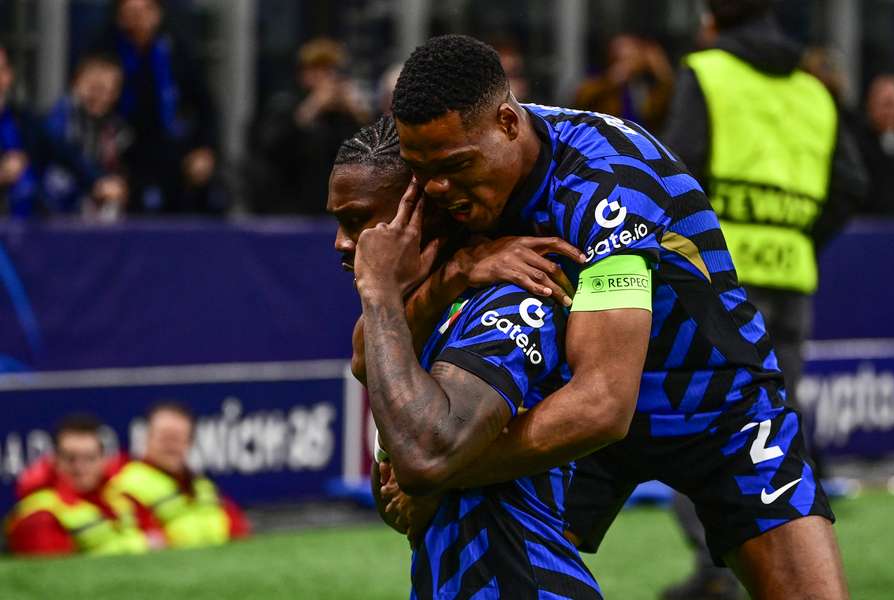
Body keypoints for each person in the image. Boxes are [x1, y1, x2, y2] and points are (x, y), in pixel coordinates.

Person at [375, 34, 849, 600]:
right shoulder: (444, 176)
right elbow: (371, 350)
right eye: (421, 169)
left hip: (715, 408)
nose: (437, 188)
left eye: (455, 166)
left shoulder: (609, 180)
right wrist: (452, 275)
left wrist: (444, 471)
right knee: (462, 525)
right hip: (572, 409)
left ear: (508, 122)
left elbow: (602, 407)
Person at [330, 116, 602, 599]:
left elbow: (424, 459)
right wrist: (447, 274)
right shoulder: (425, 310)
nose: (343, 242)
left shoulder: (514, 294)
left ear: (423, 211)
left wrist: (380, 291)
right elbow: (393, 497)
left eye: (357, 220)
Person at [661, 2, 868, 595]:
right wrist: (797, 236)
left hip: (715, 282)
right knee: (775, 434)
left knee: (694, 423)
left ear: (713, 16)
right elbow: (851, 183)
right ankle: (796, 575)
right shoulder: (814, 89)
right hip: (791, 279)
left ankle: (717, 571)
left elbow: (671, 175)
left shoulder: (707, 72)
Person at [95, 0, 221, 214]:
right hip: (122, 155)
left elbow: (205, 105)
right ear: (120, 16)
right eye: (132, 11)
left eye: (146, 10)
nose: (139, 18)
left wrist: (205, 150)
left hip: (173, 153)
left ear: (158, 14)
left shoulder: (174, 50)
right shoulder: (106, 51)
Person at [249, 37, 371, 214]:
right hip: (289, 204)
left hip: (336, 205)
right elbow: (270, 149)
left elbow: (366, 157)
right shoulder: (284, 105)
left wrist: (357, 113)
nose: (327, 78)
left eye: (331, 71)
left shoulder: (342, 114)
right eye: (319, 70)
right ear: (304, 73)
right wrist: (311, 108)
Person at [106, 401, 249, 549]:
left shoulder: (202, 485)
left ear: (189, 443)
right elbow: (144, 542)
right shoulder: (128, 484)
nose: (171, 446)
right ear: (148, 437)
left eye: (178, 438)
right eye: (165, 437)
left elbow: (238, 529)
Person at [5, 414, 148, 556]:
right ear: (55, 461)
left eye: (89, 458)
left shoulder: (120, 497)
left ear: (103, 460)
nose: (80, 467)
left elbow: (154, 537)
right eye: (70, 458)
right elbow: (52, 568)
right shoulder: (40, 515)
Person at [41, 53, 132, 220]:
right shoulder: (60, 118)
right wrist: (95, 182)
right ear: (76, 84)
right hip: (56, 214)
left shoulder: (117, 128)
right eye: (94, 87)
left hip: (98, 214)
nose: (101, 96)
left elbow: (121, 171)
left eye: (109, 90)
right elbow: (65, 156)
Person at [573, 34, 673, 132]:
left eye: (633, 54)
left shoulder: (644, 85)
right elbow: (580, 102)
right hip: (607, 135)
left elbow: (658, 115)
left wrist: (660, 69)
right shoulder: (598, 78)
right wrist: (612, 79)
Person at [0, 43, 39, 218]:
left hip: (28, 223)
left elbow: (62, 151)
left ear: (9, 76)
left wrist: (97, 181)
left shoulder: (24, 118)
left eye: (1, 70)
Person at [856, 75, 894, 215]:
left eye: (892, 104)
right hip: (865, 222)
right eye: (885, 105)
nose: (889, 112)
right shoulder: (856, 144)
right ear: (871, 106)